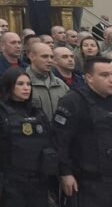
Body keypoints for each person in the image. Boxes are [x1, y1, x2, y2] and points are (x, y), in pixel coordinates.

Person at [0, 68, 56, 207]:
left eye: (28, 84)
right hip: (10, 182)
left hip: (38, 182)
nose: (26, 88)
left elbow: (49, 142)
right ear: (9, 86)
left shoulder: (36, 110)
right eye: (20, 84)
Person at [53, 56, 112, 206]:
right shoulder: (73, 101)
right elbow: (60, 141)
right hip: (87, 181)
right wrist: (65, 173)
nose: (111, 79)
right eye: (104, 75)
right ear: (89, 78)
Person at [24, 41, 68, 119]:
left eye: (51, 57)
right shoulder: (22, 83)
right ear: (31, 56)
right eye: (44, 56)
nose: (50, 60)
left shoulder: (61, 84)